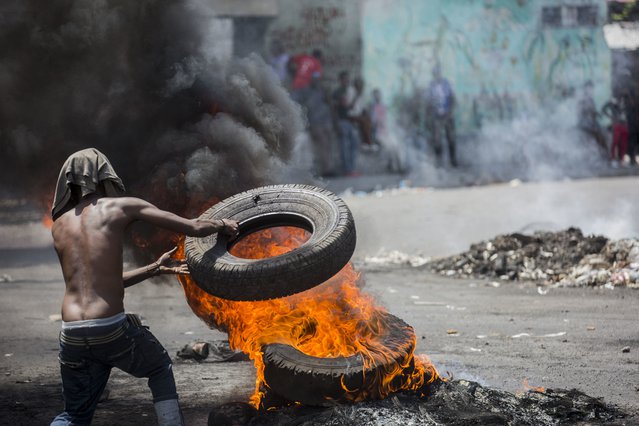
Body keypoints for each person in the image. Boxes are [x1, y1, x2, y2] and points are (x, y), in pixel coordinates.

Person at [49, 148, 239, 426]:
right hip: (110, 328)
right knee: (159, 367)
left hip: (72, 334)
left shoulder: (59, 226)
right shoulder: (123, 206)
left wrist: (155, 268)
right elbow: (195, 227)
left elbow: (100, 284)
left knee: (74, 414)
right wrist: (224, 223)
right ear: (105, 177)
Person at [297, 74, 336, 176]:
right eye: (315, 80)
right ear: (311, 81)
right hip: (316, 123)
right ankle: (326, 170)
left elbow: (330, 104)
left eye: (318, 80)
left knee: (328, 145)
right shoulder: (307, 92)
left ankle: (329, 168)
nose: (317, 82)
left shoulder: (323, 91)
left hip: (326, 122)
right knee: (323, 144)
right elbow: (305, 107)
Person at [425, 65, 457, 167]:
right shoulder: (431, 86)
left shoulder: (446, 84)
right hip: (436, 116)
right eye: (435, 73)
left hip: (447, 115)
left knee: (451, 138)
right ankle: (439, 162)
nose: (437, 75)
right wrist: (431, 114)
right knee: (437, 140)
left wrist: (450, 111)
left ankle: (453, 160)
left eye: (438, 73)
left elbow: (452, 98)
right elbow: (428, 102)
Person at [332, 70, 360, 176]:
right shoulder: (338, 92)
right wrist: (336, 123)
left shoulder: (349, 91)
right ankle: (347, 170)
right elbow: (345, 106)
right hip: (342, 121)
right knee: (345, 146)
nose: (347, 81)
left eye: (348, 79)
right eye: (345, 79)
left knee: (353, 145)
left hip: (350, 122)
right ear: (340, 80)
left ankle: (351, 169)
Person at [577, 80, 608, 158]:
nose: (591, 90)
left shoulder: (591, 99)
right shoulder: (582, 99)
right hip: (585, 123)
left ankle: (602, 157)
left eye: (591, 88)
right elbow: (580, 112)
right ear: (585, 88)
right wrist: (589, 113)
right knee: (589, 141)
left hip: (592, 123)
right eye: (589, 87)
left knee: (602, 137)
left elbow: (593, 111)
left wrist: (598, 114)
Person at [602, 94, 628, 166]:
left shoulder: (626, 99)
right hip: (617, 124)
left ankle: (622, 159)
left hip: (625, 124)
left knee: (623, 143)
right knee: (615, 142)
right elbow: (604, 108)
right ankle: (613, 159)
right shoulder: (613, 100)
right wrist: (611, 117)